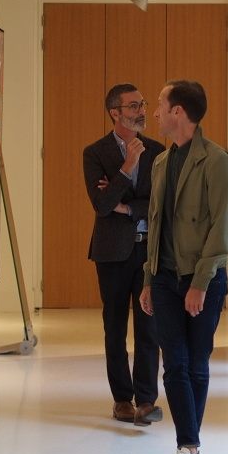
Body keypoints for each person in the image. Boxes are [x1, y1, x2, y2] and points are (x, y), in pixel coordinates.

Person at [139, 80, 228, 454]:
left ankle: (189, 449)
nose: (155, 113)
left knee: (196, 362)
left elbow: (221, 230)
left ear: (178, 112)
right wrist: (149, 278)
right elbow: (156, 225)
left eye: (161, 105)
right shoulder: (162, 162)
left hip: (203, 280)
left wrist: (199, 283)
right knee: (174, 363)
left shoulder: (216, 161)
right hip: (164, 278)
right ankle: (189, 447)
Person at [83, 84, 166, 425]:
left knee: (149, 327)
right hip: (111, 254)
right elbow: (102, 205)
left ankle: (146, 400)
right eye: (133, 106)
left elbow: (160, 202)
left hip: (148, 251)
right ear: (115, 112)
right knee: (114, 328)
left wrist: (127, 207)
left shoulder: (158, 151)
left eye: (142, 104)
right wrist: (127, 166)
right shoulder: (95, 153)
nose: (142, 111)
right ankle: (122, 399)